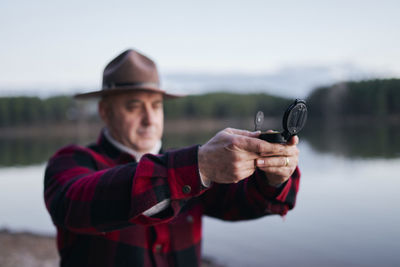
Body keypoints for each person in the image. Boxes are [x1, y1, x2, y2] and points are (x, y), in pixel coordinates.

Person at [44, 49, 301, 267]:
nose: (149, 118)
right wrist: (198, 166)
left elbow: (246, 202)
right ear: (105, 111)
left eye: (156, 106)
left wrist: (273, 177)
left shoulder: (189, 165)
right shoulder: (71, 161)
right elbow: (71, 205)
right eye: (134, 107)